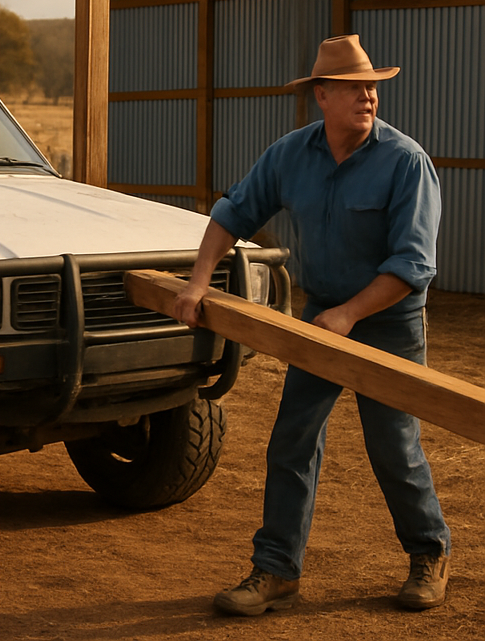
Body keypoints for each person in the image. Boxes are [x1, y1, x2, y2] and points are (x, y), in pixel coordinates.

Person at [173, 34, 451, 615]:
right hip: (320, 317)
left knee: (393, 446)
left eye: (373, 86)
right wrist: (199, 282)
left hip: (387, 322)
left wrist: (351, 315)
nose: (370, 96)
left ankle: (429, 554)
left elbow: (413, 265)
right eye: (356, 88)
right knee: (292, 440)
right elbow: (231, 213)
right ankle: (276, 571)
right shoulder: (290, 154)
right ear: (321, 95)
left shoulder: (406, 162)